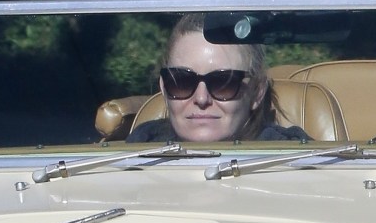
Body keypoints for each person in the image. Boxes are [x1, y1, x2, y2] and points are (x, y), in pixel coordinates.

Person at [128, 13, 311, 143]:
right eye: (182, 82)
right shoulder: (137, 151)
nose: (201, 99)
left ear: (257, 92)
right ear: (163, 87)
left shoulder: (297, 161)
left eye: (224, 82)